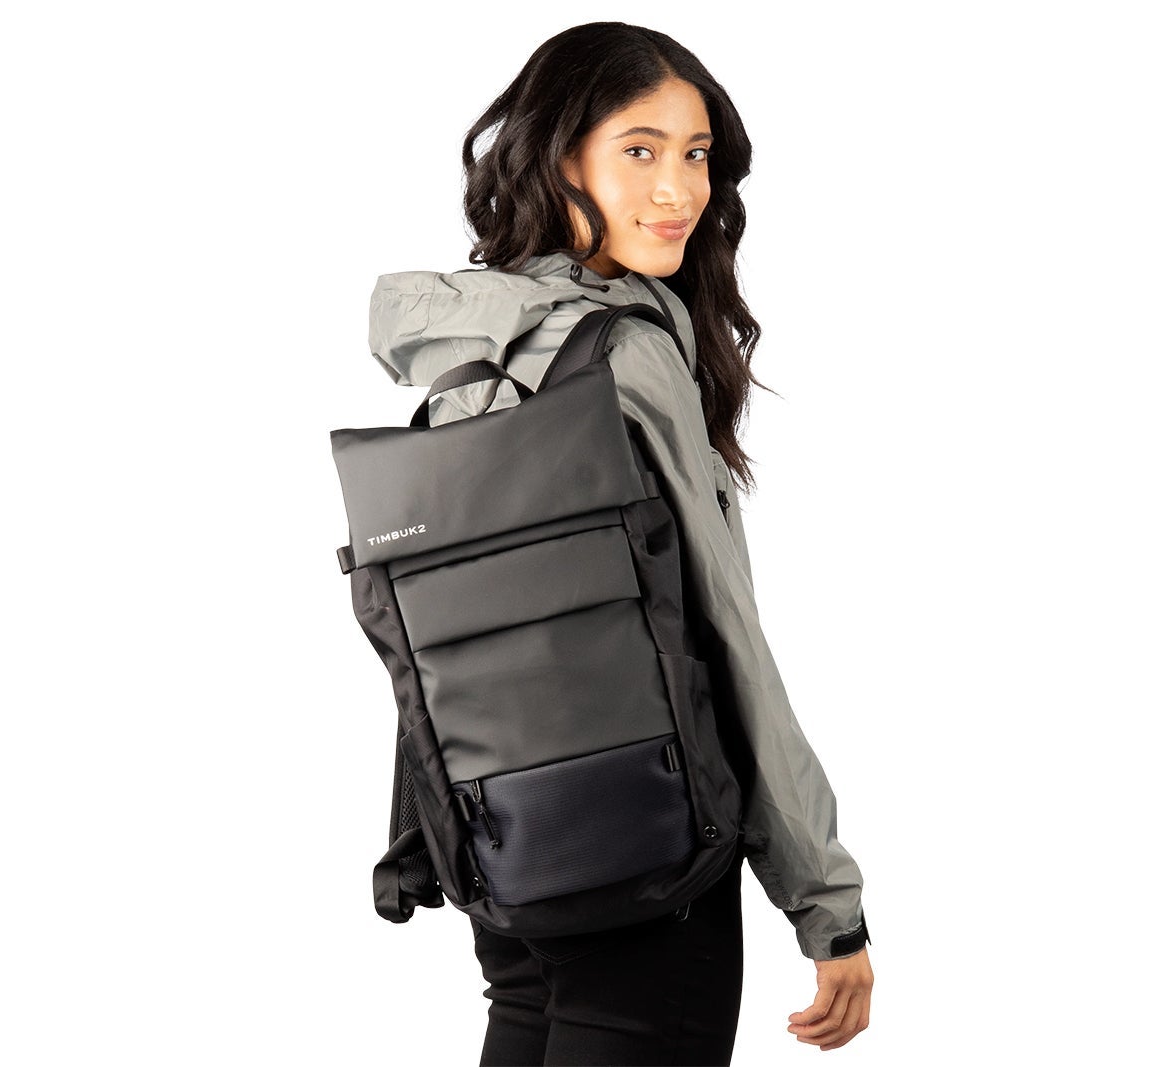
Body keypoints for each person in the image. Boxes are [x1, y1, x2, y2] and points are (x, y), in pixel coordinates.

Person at [365, 21, 873, 1065]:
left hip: (507, 854)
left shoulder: (469, 351)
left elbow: (442, 633)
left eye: (696, 154)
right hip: (653, 861)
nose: (678, 189)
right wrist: (827, 901)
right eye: (639, 150)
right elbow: (727, 636)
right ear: (559, 158)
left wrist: (428, 839)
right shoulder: (624, 353)